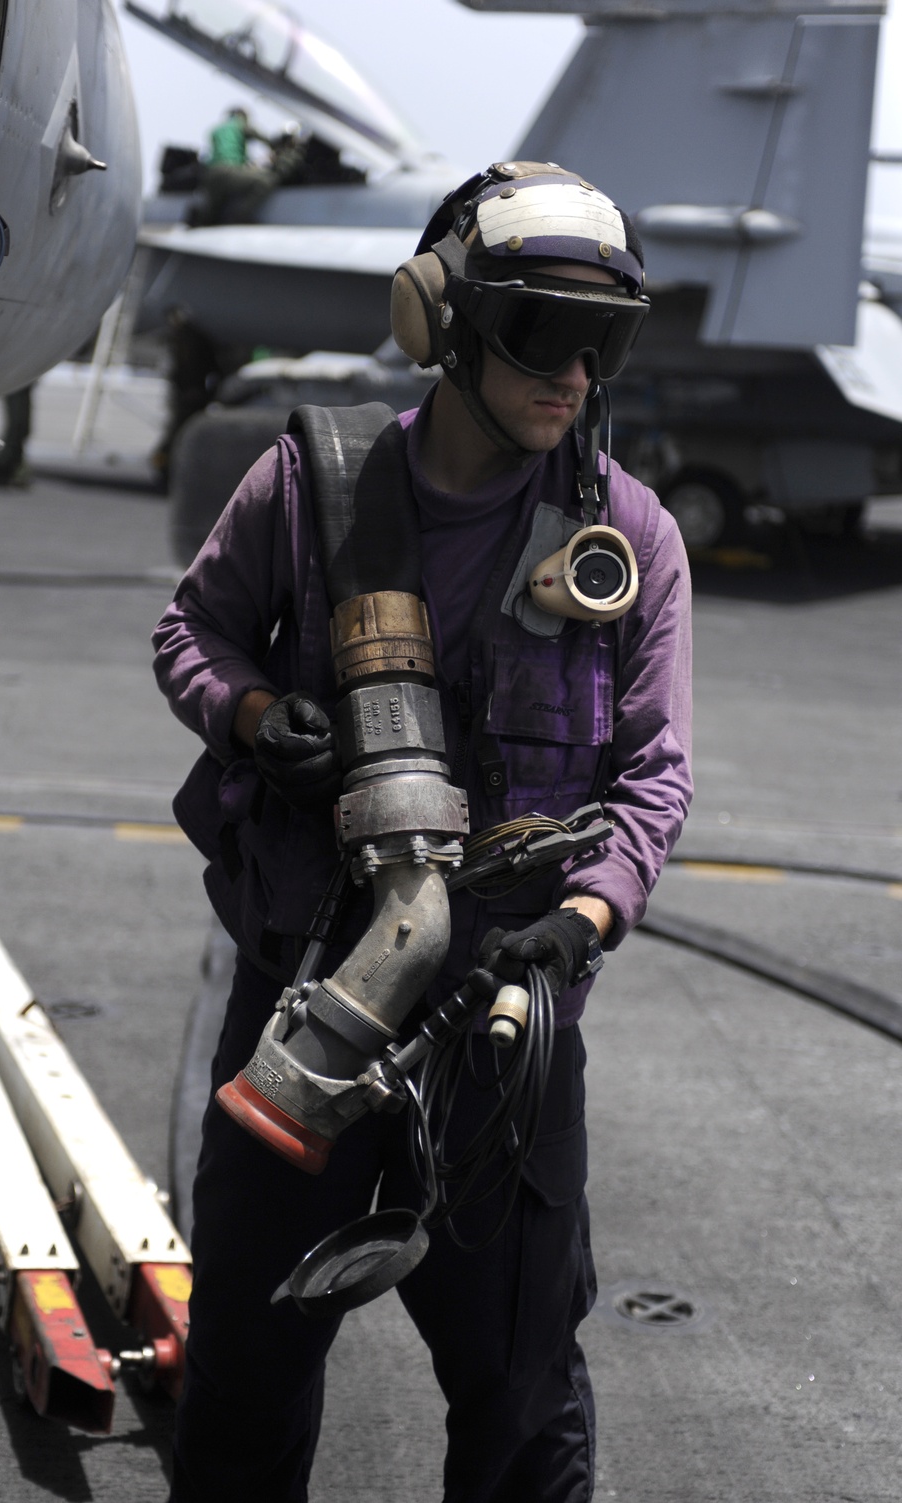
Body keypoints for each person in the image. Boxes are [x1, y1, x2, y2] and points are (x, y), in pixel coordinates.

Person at [152, 160, 693, 1502]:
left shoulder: (627, 536)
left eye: (602, 339)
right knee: (242, 1387)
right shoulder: (316, 487)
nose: (573, 374)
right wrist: (251, 708)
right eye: (540, 333)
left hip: (503, 1037)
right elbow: (191, 631)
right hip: (310, 1009)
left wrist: (582, 921)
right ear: (438, 318)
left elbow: (654, 777)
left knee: (520, 1406)